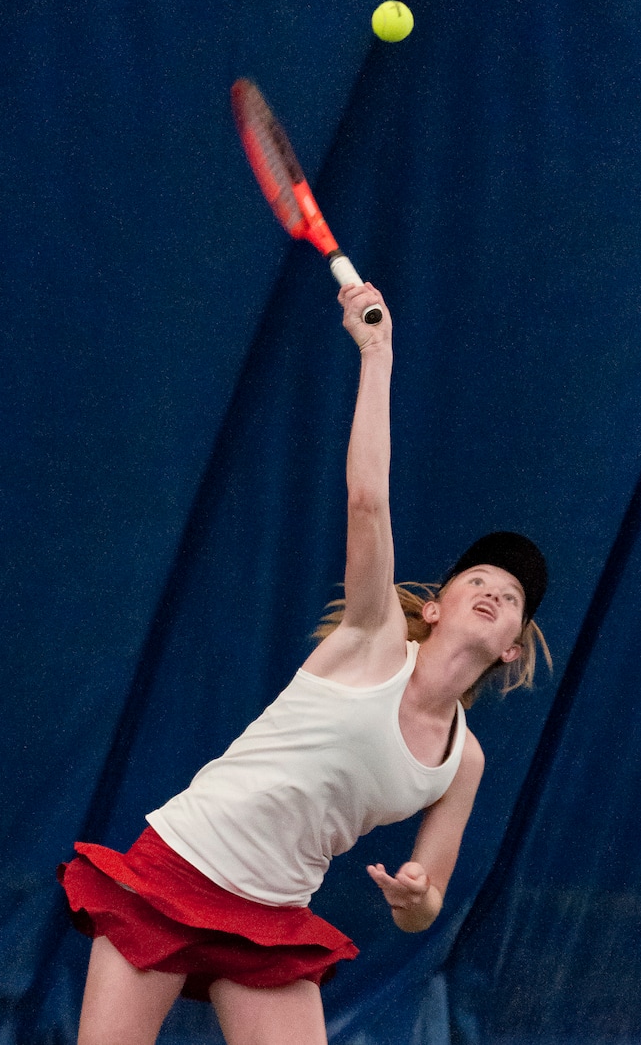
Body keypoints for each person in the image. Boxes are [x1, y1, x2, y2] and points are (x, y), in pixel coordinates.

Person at [58, 283, 550, 1045]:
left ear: (512, 643)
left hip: (273, 918)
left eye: (510, 596)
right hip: (181, 866)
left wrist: (415, 896)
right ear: (434, 606)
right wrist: (377, 353)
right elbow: (366, 500)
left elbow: (426, 903)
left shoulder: (464, 762)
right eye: (478, 579)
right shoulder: (372, 632)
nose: (492, 591)